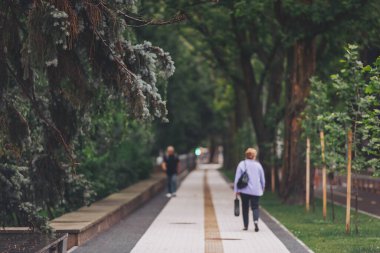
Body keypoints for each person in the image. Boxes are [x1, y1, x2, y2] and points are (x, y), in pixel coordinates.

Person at [234, 148, 265, 232]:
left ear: (246, 155)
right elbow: (262, 179)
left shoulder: (242, 164)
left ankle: (246, 225)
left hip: (244, 190)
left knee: (245, 207)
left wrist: (236, 190)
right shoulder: (258, 165)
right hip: (256, 190)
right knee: (255, 206)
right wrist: (262, 187)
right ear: (254, 156)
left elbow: (237, 178)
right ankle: (256, 222)